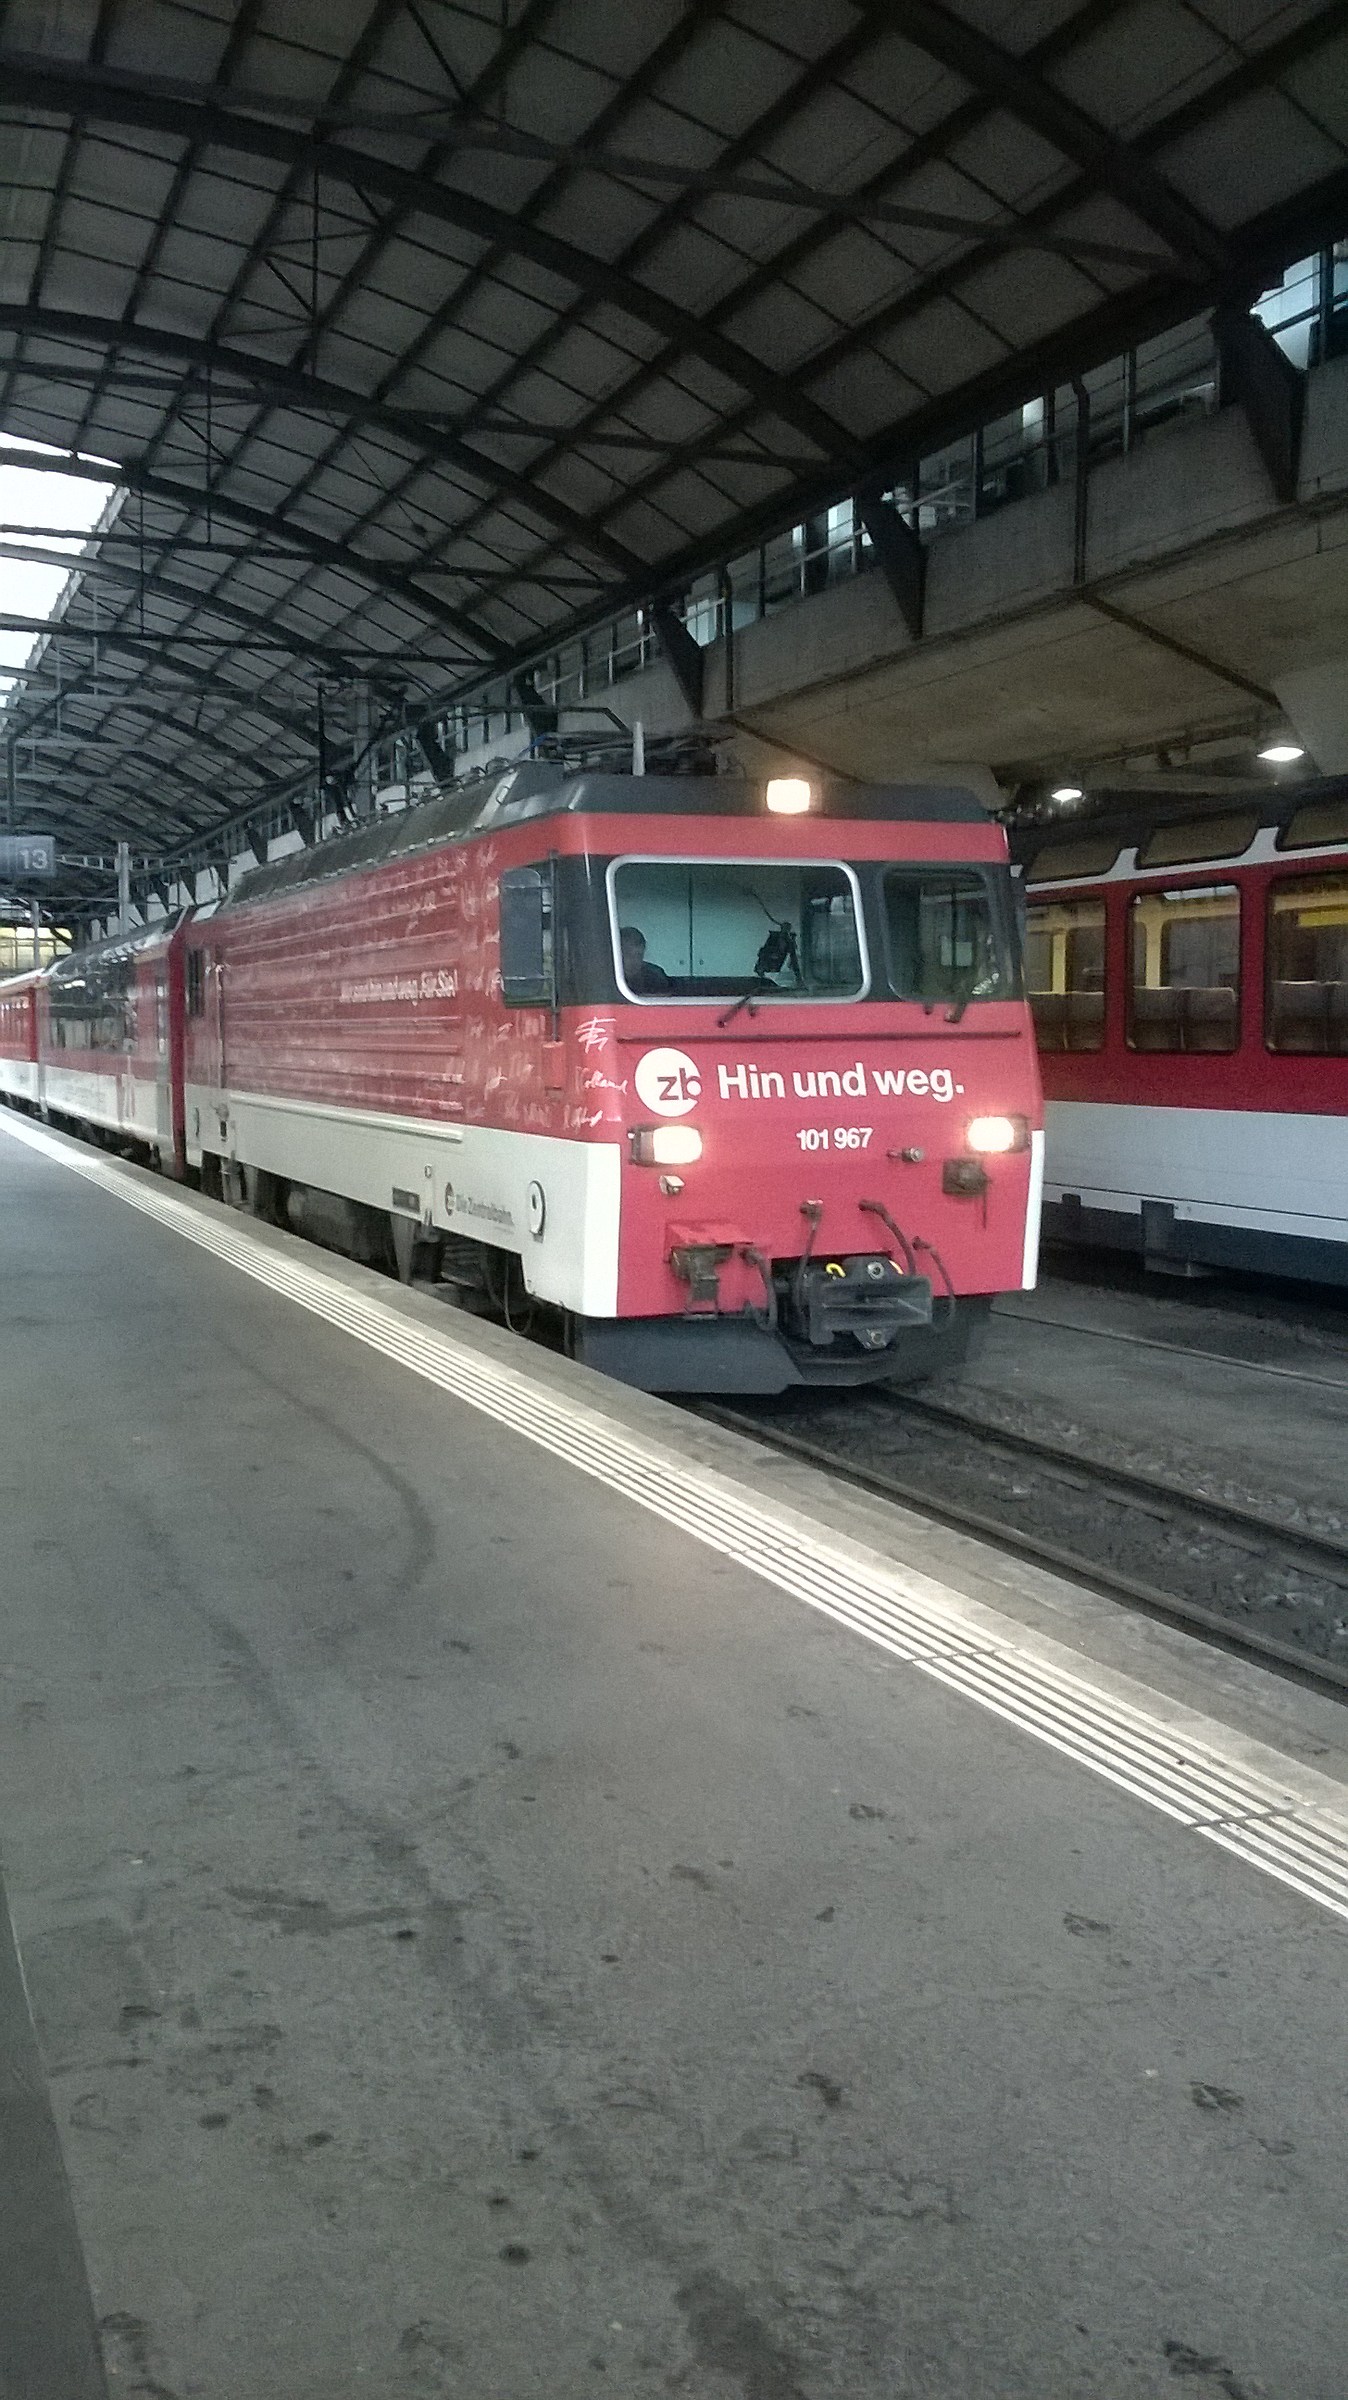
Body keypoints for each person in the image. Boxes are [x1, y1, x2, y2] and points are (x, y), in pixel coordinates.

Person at [619, 924, 672, 993]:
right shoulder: (607, 976)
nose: (634, 961)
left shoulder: (655, 975)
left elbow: (663, 999)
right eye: (628, 954)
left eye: (638, 955)